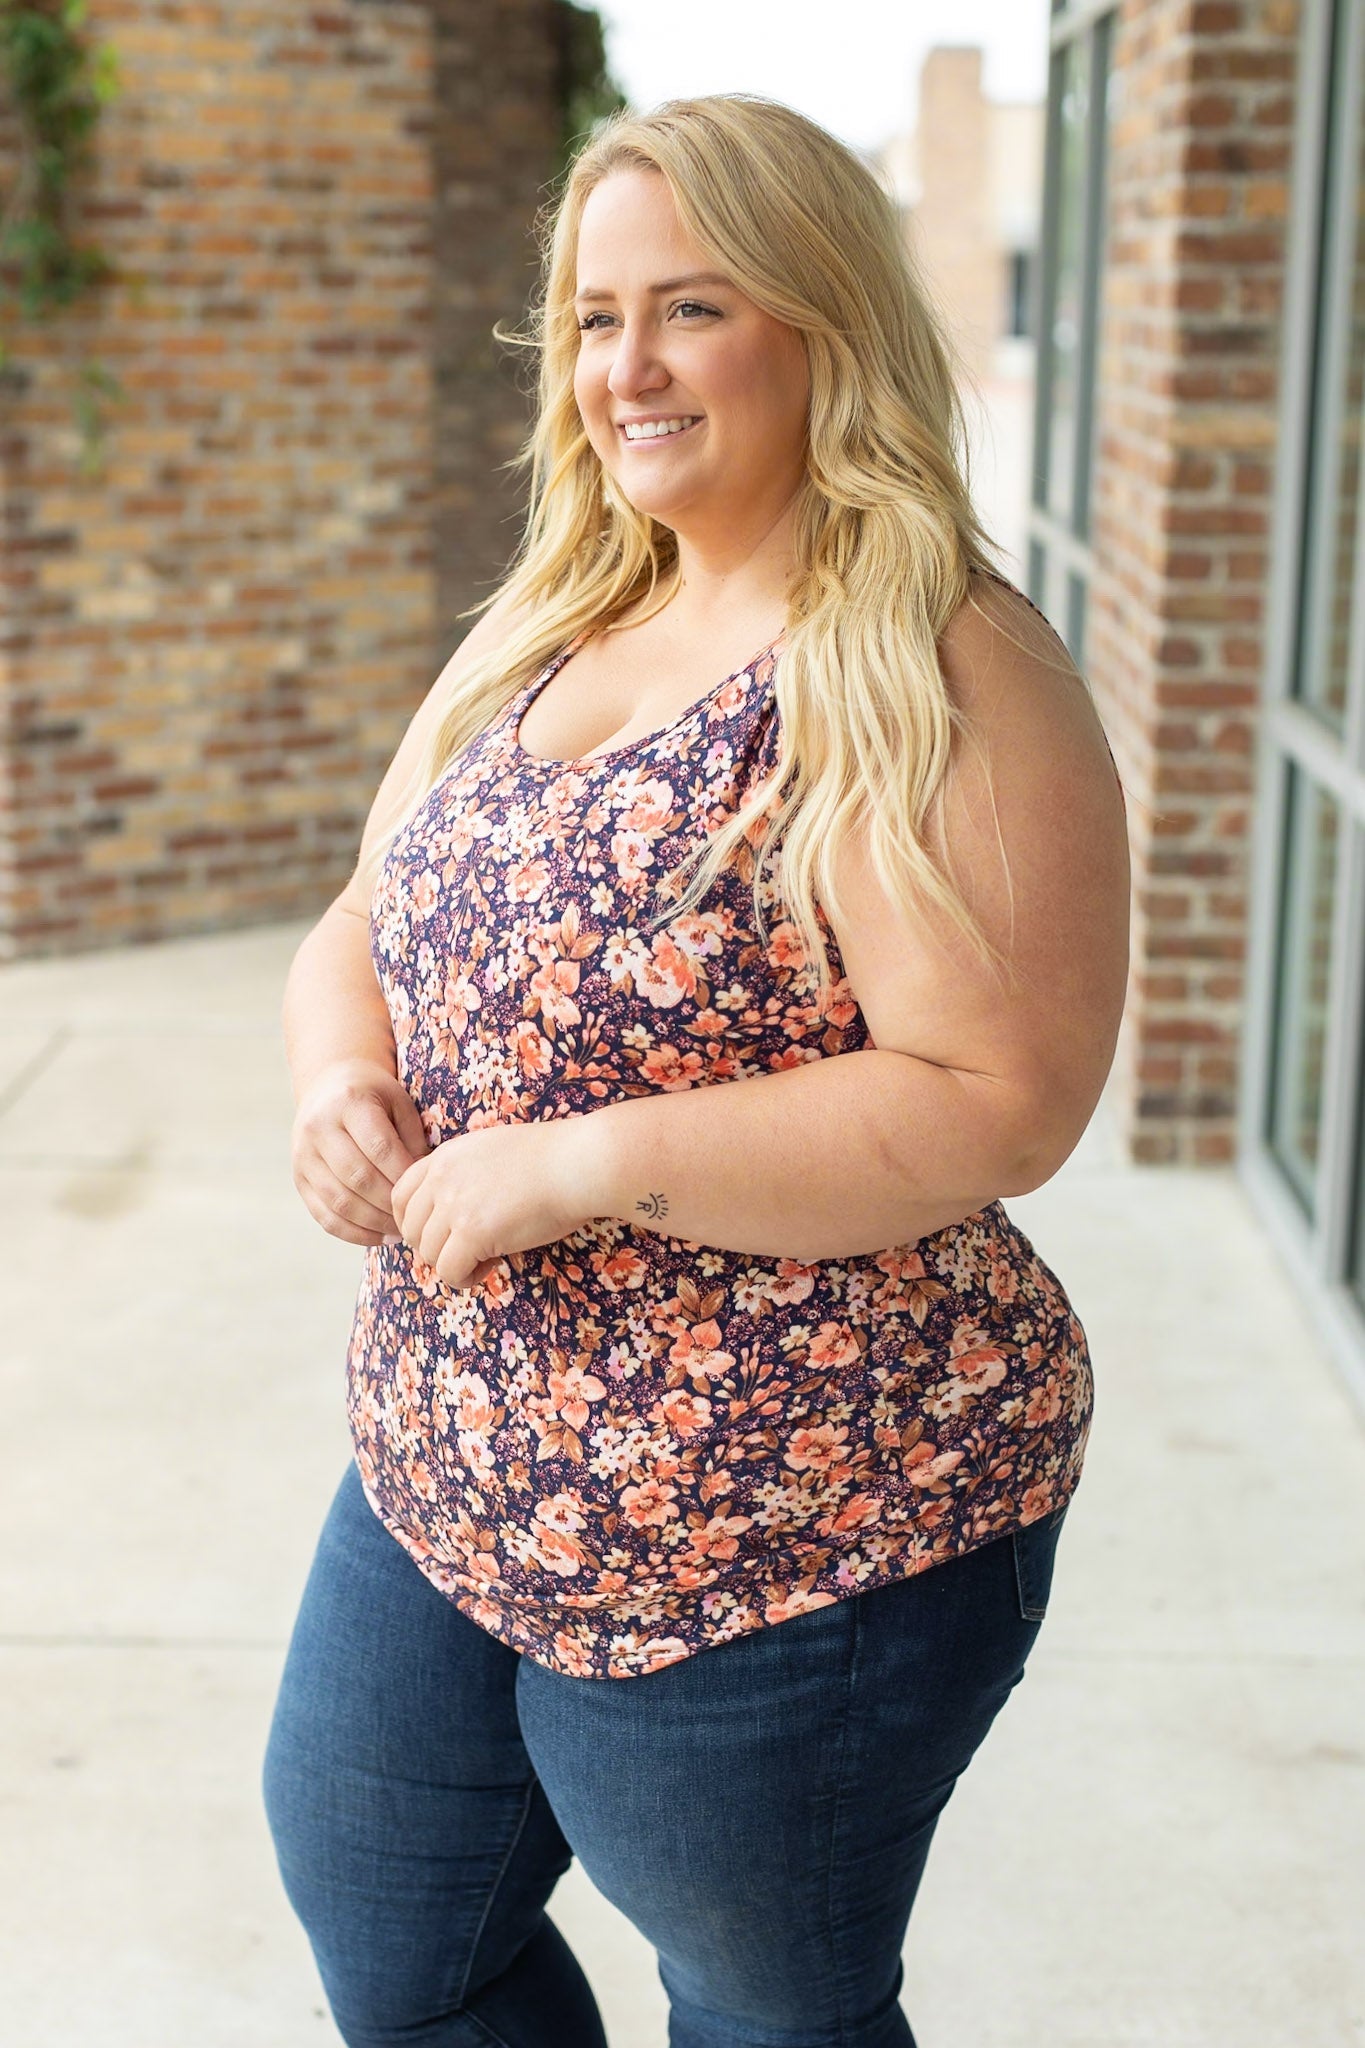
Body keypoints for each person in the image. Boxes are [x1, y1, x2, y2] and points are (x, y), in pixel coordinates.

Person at [262, 92, 1130, 2048]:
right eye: (589, 318)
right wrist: (339, 1083)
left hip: (791, 1517)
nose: (623, 370)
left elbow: (995, 1095)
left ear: (823, 325)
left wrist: (584, 1161)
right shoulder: (555, 619)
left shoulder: (932, 661)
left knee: (760, 2011)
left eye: (690, 308)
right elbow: (358, 920)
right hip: (452, 1451)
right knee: (394, 1934)